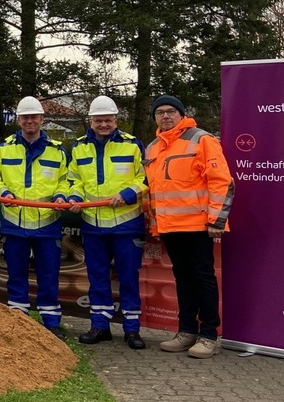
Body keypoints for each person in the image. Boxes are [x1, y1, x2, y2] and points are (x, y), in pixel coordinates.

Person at [143, 94, 234, 359]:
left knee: (202, 277)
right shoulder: (152, 148)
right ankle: (186, 331)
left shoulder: (201, 139)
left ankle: (208, 335)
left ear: (182, 114)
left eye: (171, 111)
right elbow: (154, 190)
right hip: (169, 227)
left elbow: (222, 181)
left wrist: (217, 220)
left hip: (197, 225)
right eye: (160, 113)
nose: (165, 116)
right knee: (182, 279)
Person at [67, 96, 148, 349]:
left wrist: (128, 194)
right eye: (98, 120)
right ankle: (99, 326)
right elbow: (74, 179)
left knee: (128, 278)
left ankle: (132, 329)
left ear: (116, 120)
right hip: (93, 225)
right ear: (91, 121)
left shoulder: (133, 145)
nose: (103, 124)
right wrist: (75, 197)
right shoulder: (79, 147)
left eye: (108, 120)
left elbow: (146, 178)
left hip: (127, 224)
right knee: (97, 277)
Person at [0, 95, 72, 338]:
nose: (30, 121)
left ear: (42, 119)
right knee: (16, 274)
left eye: (34, 117)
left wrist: (60, 196)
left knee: (48, 275)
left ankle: (51, 324)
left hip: (47, 224)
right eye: (25, 117)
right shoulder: (4, 149)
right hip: (15, 223)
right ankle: (18, 322)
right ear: (19, 120)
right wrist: (3, 191)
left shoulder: (57, 151)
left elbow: (66, 181)